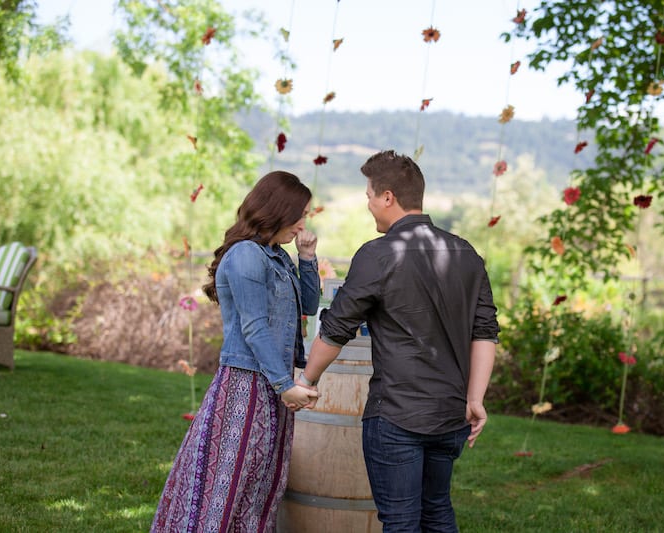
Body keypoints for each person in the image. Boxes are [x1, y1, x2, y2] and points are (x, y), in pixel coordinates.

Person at [299, 150, 500, 532]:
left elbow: (337, 326)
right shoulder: (465, 253)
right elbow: (484, 332)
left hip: (396, 417)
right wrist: (475, 399)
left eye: (370, 197)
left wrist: (307, 380)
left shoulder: (379, 254)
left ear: (388, 197)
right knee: (438, 512)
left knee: (401, 522)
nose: (370, 206)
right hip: (451, 414)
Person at [151, 171, 321, 533]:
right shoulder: (246, 256)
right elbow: (255, 327)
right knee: (228, 482)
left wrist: (307, 258)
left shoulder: (277, 256)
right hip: (246, 385)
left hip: (271, 382)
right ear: (278, 210)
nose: (302, 224)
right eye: (299, 214)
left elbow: (307, 304)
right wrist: (284, 384)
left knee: (260, 483)